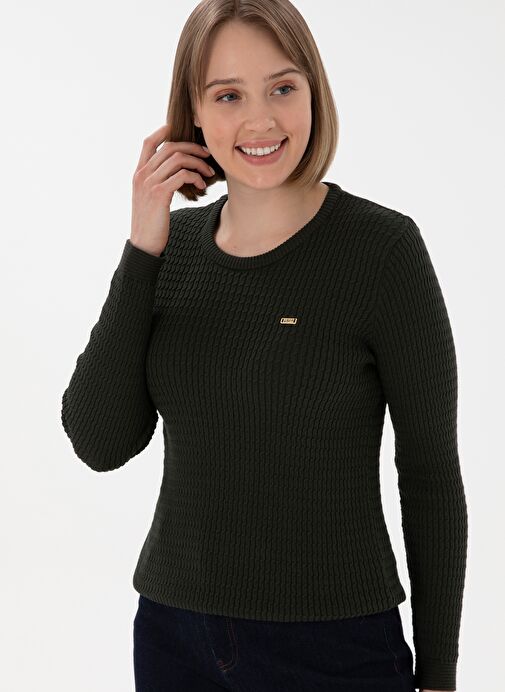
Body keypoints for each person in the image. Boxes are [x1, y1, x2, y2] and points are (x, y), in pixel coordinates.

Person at [60, 1, 468, 691]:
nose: (260, 121)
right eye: (228, 95)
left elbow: (429, 473)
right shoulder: (171, 253)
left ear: (313, 92)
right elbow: (100, 442)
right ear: (192, 113)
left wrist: (438, 676)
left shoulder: (382, 251)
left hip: (333, 646)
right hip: (173, 636)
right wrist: (143, 246)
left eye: (281, 87)